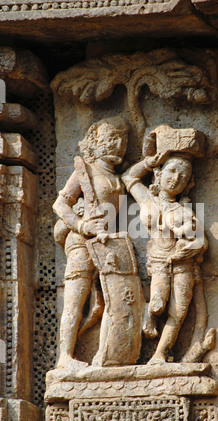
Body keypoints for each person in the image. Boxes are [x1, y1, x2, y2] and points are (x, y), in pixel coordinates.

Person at [122, 125, 209, 365]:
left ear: (189, 183)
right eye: (171, 171)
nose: (176, 178)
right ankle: (149, 315)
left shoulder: (184, 211)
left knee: (178, 312)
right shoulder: (147, 198)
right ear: (159, 176)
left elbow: (201, 241)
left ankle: (160, 354)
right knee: (158, 304)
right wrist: (150, 161)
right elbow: (128, 177)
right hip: (159, 260)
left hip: (183, 264)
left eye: (183, 176)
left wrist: (192, 247)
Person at [53, 117, 130, 370]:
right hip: (82, 241)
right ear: (94, 141)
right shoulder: (84, 171)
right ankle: (65, 356)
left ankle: (104, 354)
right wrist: (82, 225)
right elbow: (60, 204)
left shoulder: (118, 177)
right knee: (75, 299)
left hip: (107, 244)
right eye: (111, 138)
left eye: (123, 139)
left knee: (106, 301)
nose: (118, 144)